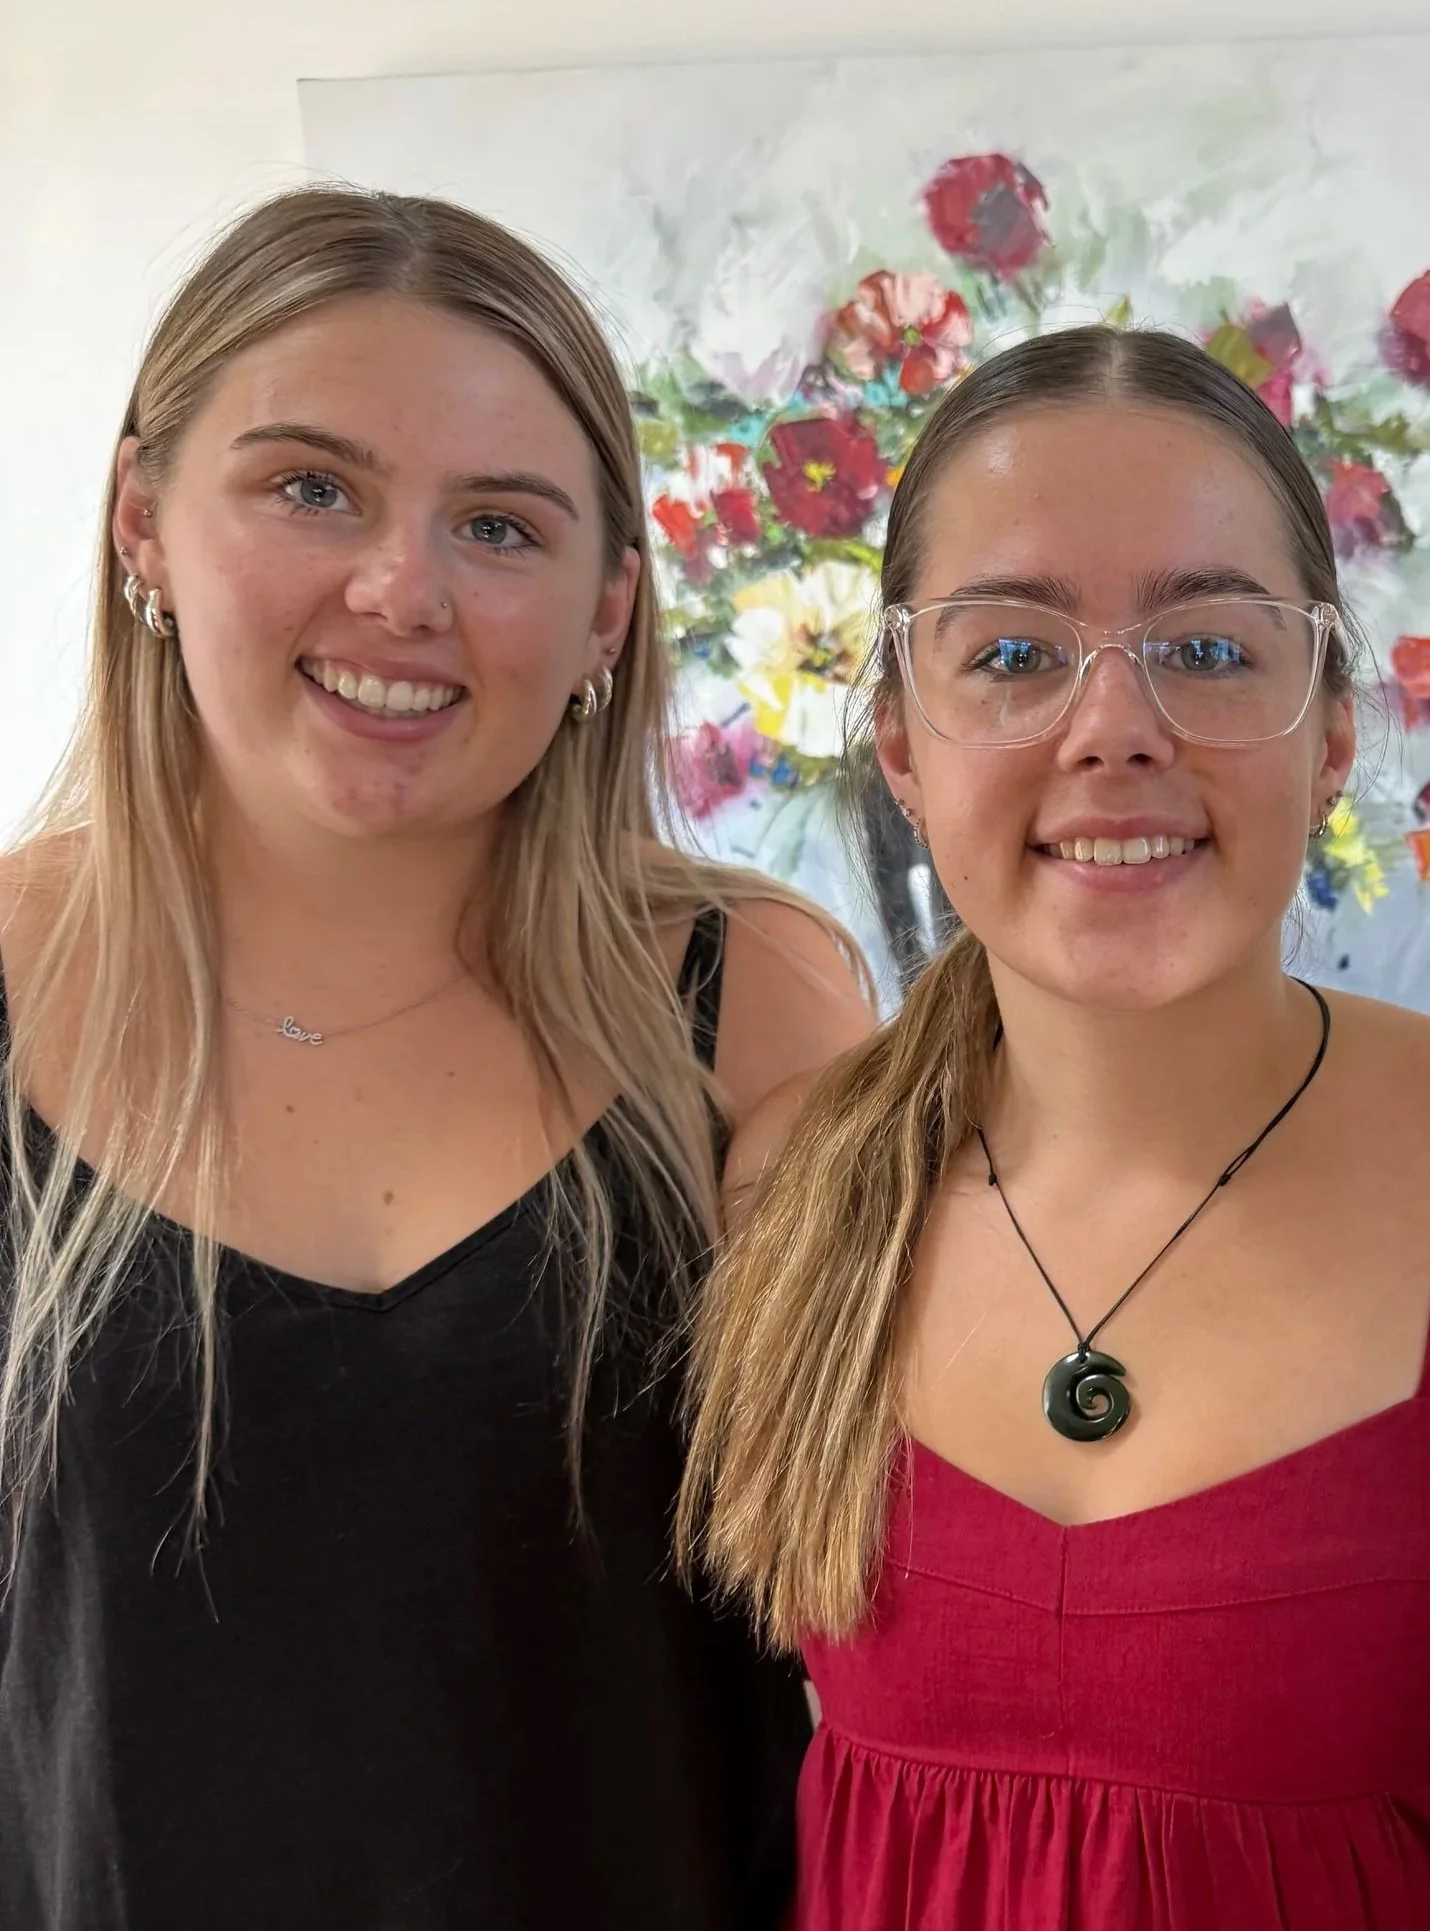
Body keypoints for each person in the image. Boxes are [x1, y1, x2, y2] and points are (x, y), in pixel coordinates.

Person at [677, 324, 1430, 1929]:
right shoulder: (797, 1179)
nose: (1116, 729)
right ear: (899, 735)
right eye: (1016, 655)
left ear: (1333, 730)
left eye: (1212, 649)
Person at [0, 188, 874, 1931]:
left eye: (500, 525)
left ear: (608, 614)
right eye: (310, 487)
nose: (402, 589)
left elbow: (938, 1583)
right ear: (141, 525)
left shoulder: (746, 991)